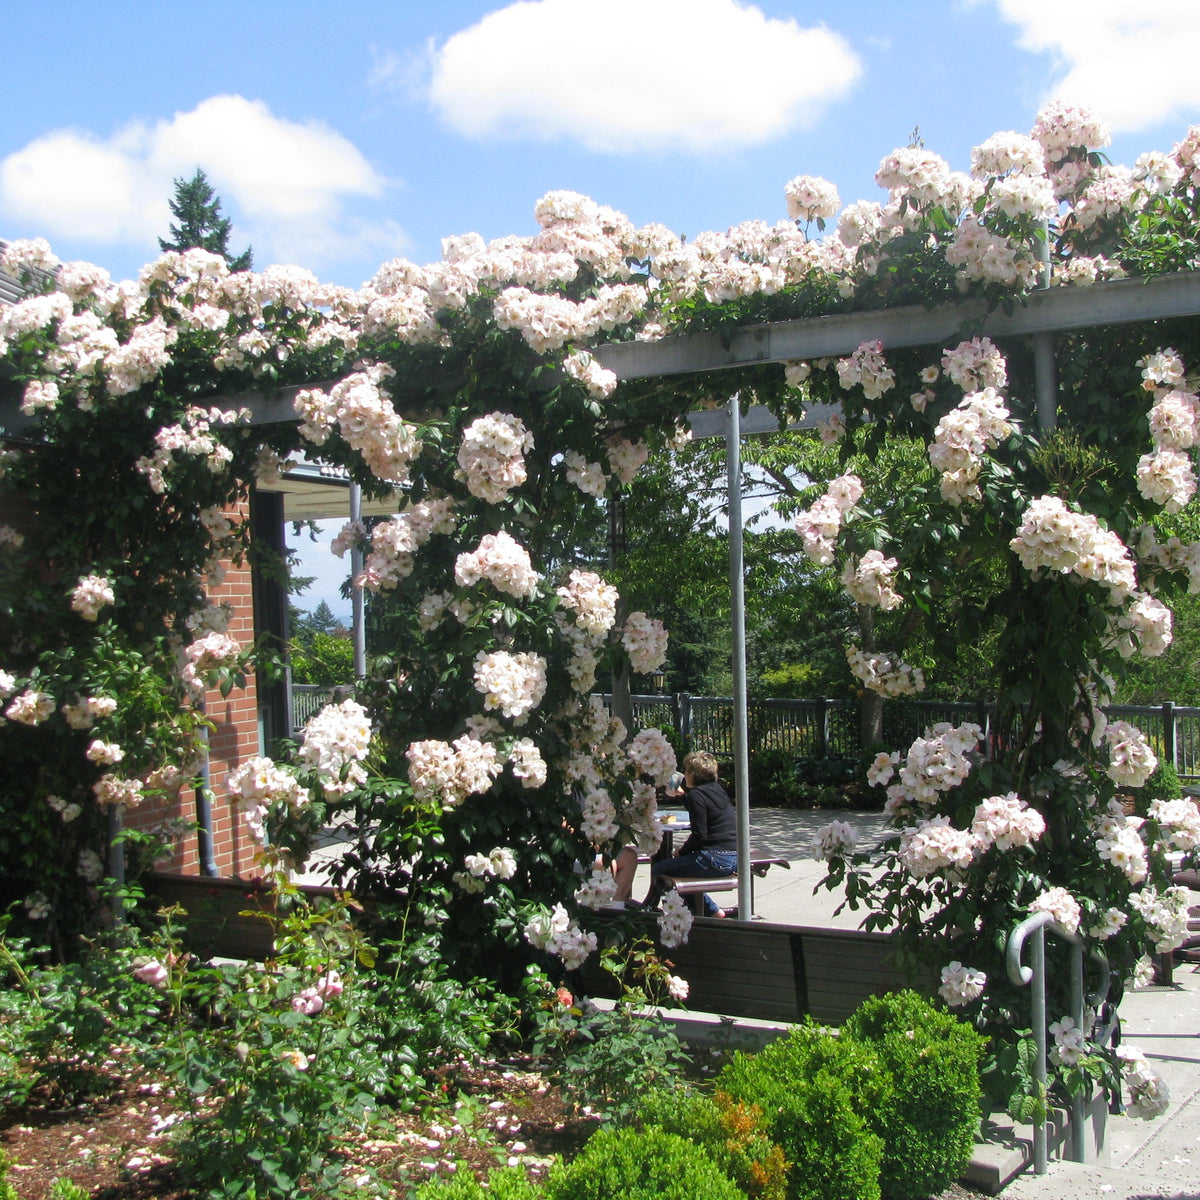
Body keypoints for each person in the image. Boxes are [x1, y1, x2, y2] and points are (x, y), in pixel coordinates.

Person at [644, 750, 737, 917]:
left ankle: (685, 913)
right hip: (733, 857)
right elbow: (702, 809)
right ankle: (709, 910)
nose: (685, 775)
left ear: (692, 774)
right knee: (680, 870)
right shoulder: (717, 790)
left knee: (660, 869)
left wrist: (681, 852)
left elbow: (700, 835)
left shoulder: (697, 796)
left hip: (713, 859)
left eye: (686, 771)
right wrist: (682, 795)